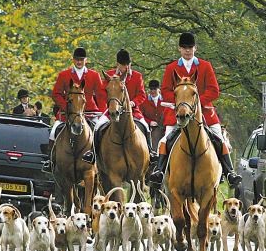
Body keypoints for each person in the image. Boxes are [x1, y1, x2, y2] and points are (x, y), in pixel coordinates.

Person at [149, 32, 242, 188]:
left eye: (190, 47)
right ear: (179, 48)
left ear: (195, 48)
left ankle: (230, 172)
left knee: (219, 138)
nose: (187, 50)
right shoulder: (172, 67)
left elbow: (214, 90)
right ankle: (159, 171)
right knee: (165, 140)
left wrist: (197, 103)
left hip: (204, 113)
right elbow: (165, 90)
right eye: (184, 48)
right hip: (178, 113)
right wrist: (181, 103)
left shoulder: (205, 66)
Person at [82, 49, 158, 165]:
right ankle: (93, 153)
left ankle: (151, 152)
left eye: (128, 65)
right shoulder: (110, 75)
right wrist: (110, 104)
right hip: (112, 110)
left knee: (145, 127)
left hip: (132, 111)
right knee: (98, 126)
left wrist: (133, 103)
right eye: (123, 65)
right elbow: (102, 92)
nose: (126, 67)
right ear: (118, 64)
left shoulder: (137, 76)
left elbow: (142, 95)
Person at [42, 47, 107, 172]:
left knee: (100, 132)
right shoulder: (64, 75)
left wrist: (101, 111)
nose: (79, 62)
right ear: (73, 60)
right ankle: (50, 161)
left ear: (85, 60)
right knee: (53, 132)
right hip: (69, 113)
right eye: (77, 59)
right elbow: (56, 94)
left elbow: (101, 95)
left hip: (89, 112)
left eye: (81, 60)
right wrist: (66, 106)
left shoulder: (94, 75)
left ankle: (100, 160)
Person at [140, 79, 165, 151]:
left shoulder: (165, 99)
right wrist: (149, 122)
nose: (153, 91)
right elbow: (140, 115)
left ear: (159, 89)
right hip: (151, 129)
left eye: (155, 89)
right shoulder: (144, 101)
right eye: (151, 89)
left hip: (165, 126)